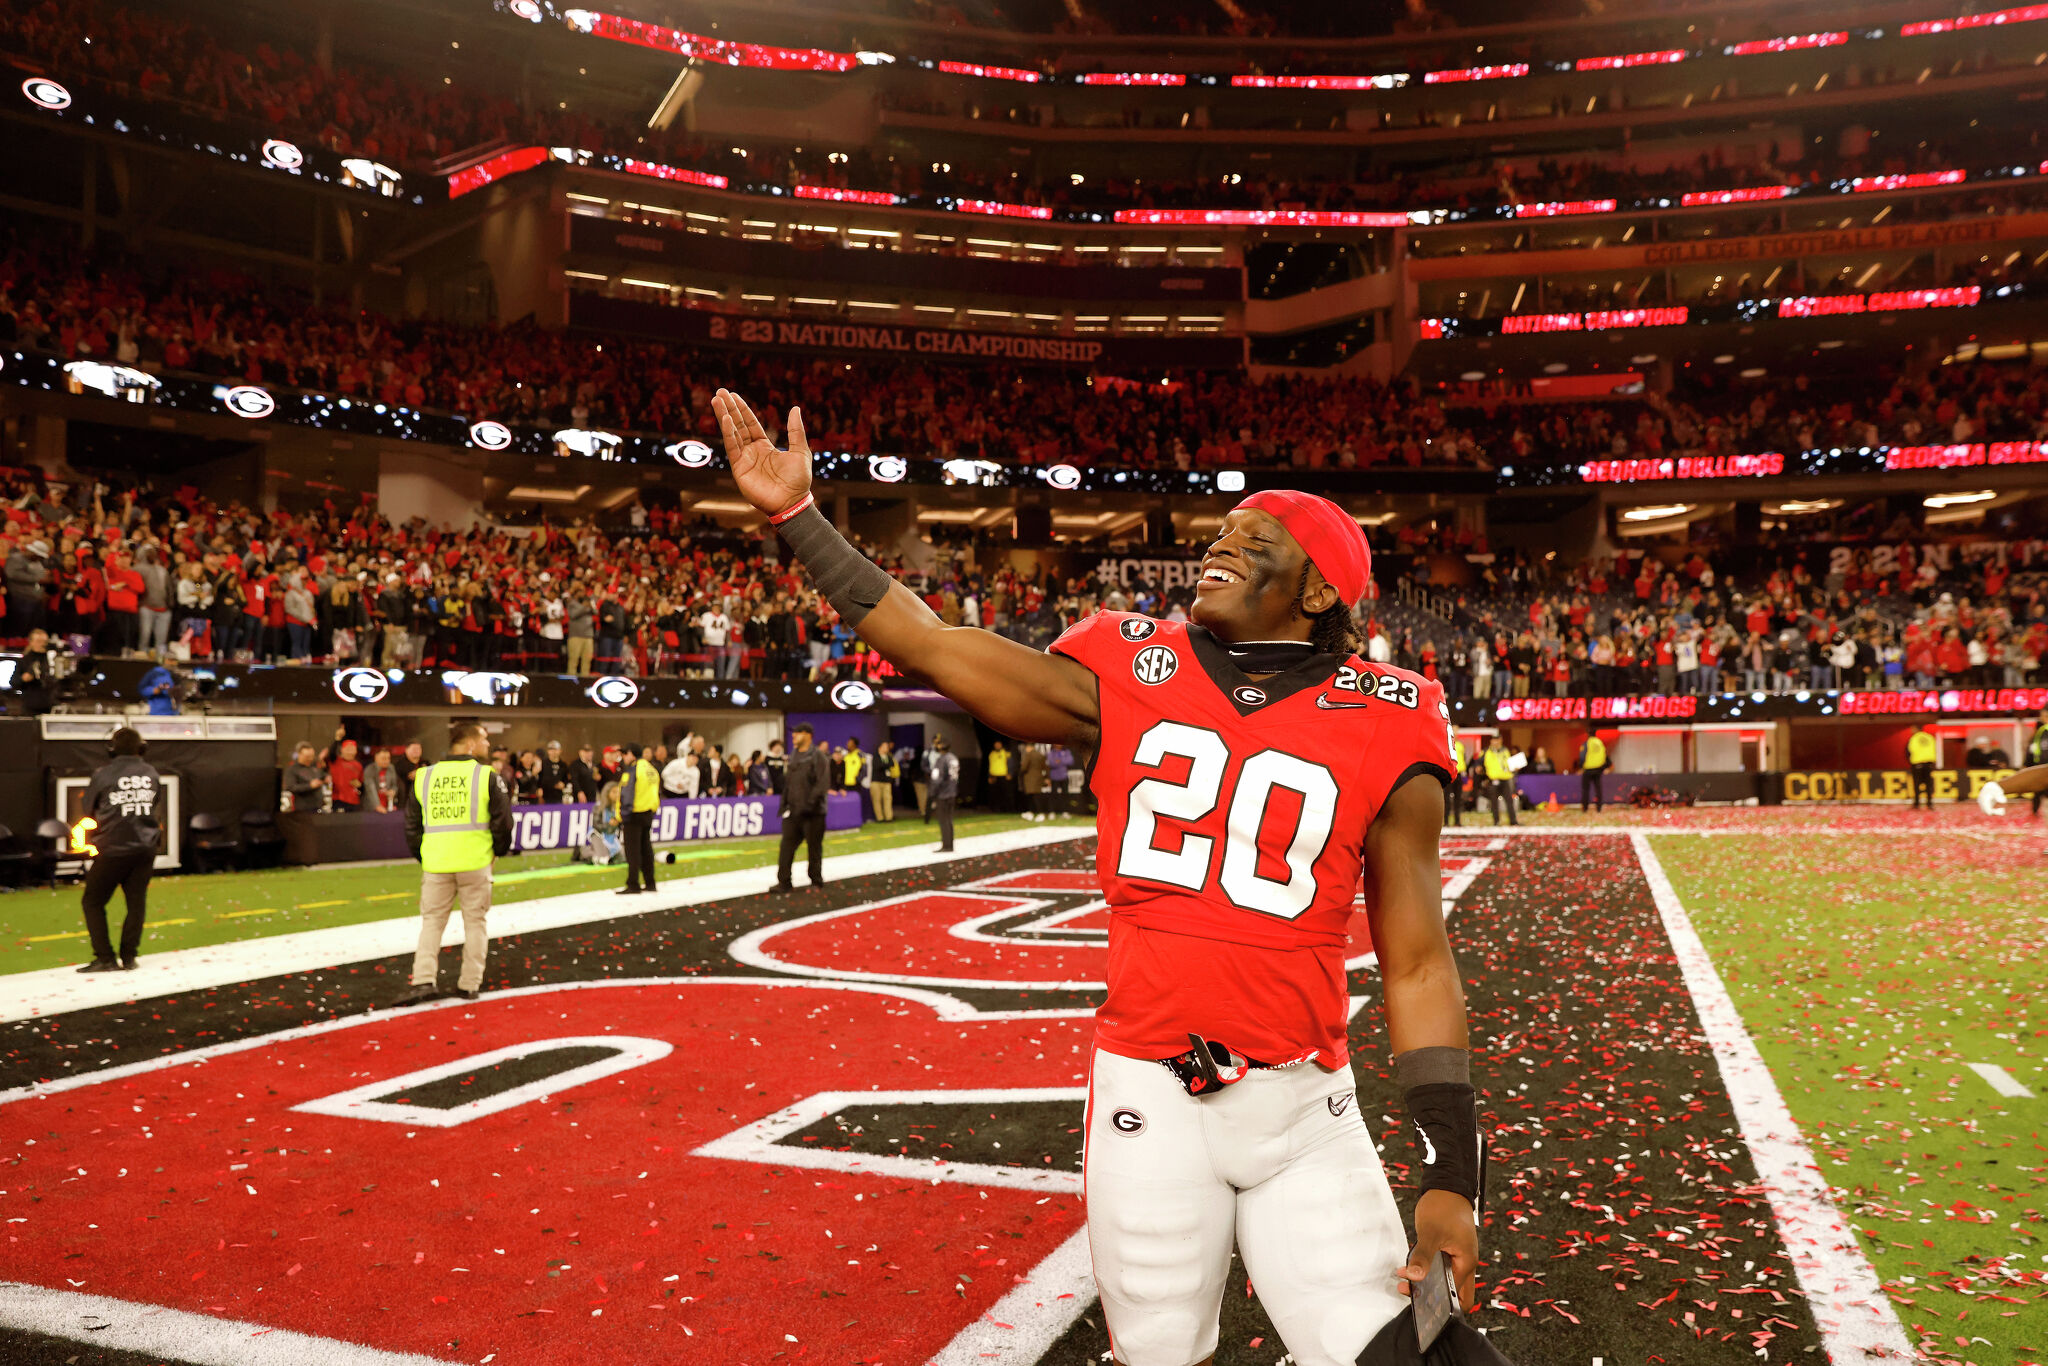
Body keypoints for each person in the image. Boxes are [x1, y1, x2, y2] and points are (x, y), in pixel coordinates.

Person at [714, 388, 1478, 1362]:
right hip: (1148, 1100)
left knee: (1411, 1352)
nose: (1220, 545)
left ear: (1321, 589)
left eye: (1254, 542)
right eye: (1223, 531)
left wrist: (1450, 1167)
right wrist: (798, 519)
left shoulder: (1389, 712)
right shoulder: (1131, 666)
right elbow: (933, 642)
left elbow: (1414, 963)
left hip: (1303, 1110)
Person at [394, 722, 513, 1005]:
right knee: (475, 923)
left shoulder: (425, 776)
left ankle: (423, 979)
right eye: (483, 739)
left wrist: (424, 855)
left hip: (436, 863)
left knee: (432, 923)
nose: (488, 745)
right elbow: (503, 823)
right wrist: (496, 853)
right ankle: (469, 984)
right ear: (469, 744)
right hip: (475, 862)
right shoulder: (486, 776)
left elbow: (411, 825)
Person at [72, 726, 163, 973]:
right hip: (145, 847)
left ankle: (105, 958)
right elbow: (155, 804)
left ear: (111, 750)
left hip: (113, 847)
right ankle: (129, 957)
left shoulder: (103, 775)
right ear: (142, 749)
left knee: (93, 901)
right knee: (136, 903)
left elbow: (88, 810)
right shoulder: (151, 773)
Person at [774, 722, 830, 892]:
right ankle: (784, 882)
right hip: (793, 811)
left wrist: (809, 804)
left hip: (813, 812)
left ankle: (815, 881)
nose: (793, 736)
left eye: (798, 733)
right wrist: (785, 804)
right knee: (786, 847)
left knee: (814, 849)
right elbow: (788, 783)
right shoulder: (794, 755)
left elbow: (822, 783)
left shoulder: (818, 756)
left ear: (807, 735)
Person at [617, 741, 661, 894]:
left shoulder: (632, 771)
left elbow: (626, 794)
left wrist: (623, 814)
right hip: (648, 812)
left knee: (633, 851)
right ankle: (650, 882)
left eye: (624, 754)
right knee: (646, 849)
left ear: (631, 753)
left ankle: (633, 884)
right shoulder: (651, 769)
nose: (623, 757)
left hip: (634, 814)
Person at [925, 734, 959, 851]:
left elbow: (937, 778)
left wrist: (932, 793)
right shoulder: (953, 758)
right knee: (949, 820)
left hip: (943, 794)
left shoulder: (942, 759)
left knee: (943, 820)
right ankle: (950, 844)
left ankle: (946, 845)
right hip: (952, 792)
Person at [13, 626, 56, 716]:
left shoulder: (51, 658)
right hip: (31, 706)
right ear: (31, 642)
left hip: (51, 705)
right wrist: (23, 679)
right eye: (38, 641)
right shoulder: (24, 660)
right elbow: (14, 682)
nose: (42, 644)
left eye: (44, 642)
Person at [1482, 734, 1518, 826]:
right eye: (1494, 740)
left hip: (1505, 779)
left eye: (1497, 740)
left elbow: (1509, 764)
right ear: (1491, 741)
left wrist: (1514, 768)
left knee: (1509, 801)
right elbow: (1480, 763)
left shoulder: (1505, 751)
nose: (1496, 742)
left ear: (1501, 740)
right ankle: (1496, 821)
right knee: (1494, 802)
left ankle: (1513, 821)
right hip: (1493, 780)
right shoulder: (1487, 751)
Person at [283, 741, 327, 813]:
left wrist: (325, 777)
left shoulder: (315, 767)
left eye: (312, 756)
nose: (310, 758)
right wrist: (309, 786)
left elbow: (322, 777)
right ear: (299, 755)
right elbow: (290, 787)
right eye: (307, 756)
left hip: (318, 807)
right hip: (303, 809)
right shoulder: (292, 769)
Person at [326, 735, 365, 813]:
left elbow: (362, 786)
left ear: (356, 751)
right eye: (348, 748)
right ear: (342, 750)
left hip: (354, 801)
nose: (350, 751)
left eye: (352, 748)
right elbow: (331, 752)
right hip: (339, 800)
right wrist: (337, 739)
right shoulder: (336, 761)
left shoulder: (358, 765)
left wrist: (360, 785)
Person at [1577, 730, 1609, 814]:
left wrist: (1581, 766)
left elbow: (1582, 755)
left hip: (1588, 768)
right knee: (1598, 789)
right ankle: (1599, 808)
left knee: (1586, 789)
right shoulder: (1600, 743)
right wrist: (1603, 767)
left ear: (1588, 735)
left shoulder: (1587, 743)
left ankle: (1585, 808)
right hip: (1598, 769)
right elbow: (1604, 755)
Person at [1908, 723, 1939, 810]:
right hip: (1929, 764)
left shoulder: (1914, 738)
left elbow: (1910, 750)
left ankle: (1917, 804)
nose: (1911, 731)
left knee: (1917, 785)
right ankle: (1929, 804)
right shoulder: (1930, 737)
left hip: (1917, 763)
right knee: (1928, 785)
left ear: (1916, 729)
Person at [1020, 741, 1048, 820]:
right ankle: (1031, 813)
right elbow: (1045, 767)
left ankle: (1039, 813)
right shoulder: (1040, 755)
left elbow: (1024, 768)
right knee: (1036, 796)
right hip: (1039, 778)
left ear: (1029, 747)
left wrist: (1022, 766)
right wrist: (1046, 777)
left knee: (1033, 797)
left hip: (1030, 779)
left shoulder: (1028, 755)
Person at [536, 740, 569, 804]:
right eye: (551, 749)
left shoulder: (563, 765)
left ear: (560, 751)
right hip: (545, 796)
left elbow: (566, 778)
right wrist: (539, 788)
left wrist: (563, 784)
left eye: (556, 749)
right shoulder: (543, 763)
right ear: (548, 751)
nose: (554, 752)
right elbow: (539, 778)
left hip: (558, 796)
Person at [872, 739, 898, 822]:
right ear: (879, 748)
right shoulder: (875, 756)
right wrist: (886, 765)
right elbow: (877, 766)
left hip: (887, 781)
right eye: (884, 747)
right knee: (877, 800)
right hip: (876, 781)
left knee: (888, 799)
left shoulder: (889, 756)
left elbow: (892, 764)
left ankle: (889, 817)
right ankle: (880, 818)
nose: (886, 748)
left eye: (887, 747)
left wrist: (884, 765)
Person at [1445, 733, 1466, 827]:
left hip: (1459, 773)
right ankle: (1446, 821)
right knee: (1446, 799)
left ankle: (1457, 821)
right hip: (1449, 773)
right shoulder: (1445, 743)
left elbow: (1463, 759)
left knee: (1458, 799)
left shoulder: (1460, 745)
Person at [987, 739, 1014, 811]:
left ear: (1001, 745)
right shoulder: (992, 754)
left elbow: (1010, 764)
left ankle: (1008, 809)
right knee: (995, 794)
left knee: (1006, 793)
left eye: (998, 744)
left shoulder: (1006, 753)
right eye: (996, 745)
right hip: (994, 776)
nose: (997, 746)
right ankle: (996, 809)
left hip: (1004, 776)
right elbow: (990, 765)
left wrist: (1010, 773)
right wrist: (989, 776)